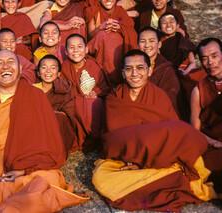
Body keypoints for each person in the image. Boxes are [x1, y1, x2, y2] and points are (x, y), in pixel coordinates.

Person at [0, 50, 88, 212]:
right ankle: (19, 202)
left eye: (10, 62)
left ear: (19, 68)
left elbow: (51, 146)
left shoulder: (35, 96)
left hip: (28, 172)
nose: (5, 67)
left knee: (49, 178)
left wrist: (24, 170)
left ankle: (11, 203)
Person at [92, 49, 216, 212]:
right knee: (100, 178)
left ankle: (169, 175)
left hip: (160, 159)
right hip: (125, 160)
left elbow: (171, 137)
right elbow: (113, 139)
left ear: (149, 70)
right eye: (129, 69)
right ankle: (175, 177)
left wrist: (147, 158)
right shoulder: (114, 98)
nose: (134, 73)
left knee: (186, 144)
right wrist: (133, 160)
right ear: (123, 73)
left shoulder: (159, 96)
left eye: (140, 68)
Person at [61, 33, 109, 148]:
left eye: (79, 47)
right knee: (73, 106)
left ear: (86, 49)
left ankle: (95, 137)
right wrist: (78, 97)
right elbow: (63, 89)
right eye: (71, 48)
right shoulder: (64, 67)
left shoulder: (93, 65)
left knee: (94, 103)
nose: (76, 50)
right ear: (66, 52)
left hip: (91, 101)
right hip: (73, 101)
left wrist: (96, 92)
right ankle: (81, 137)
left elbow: (104, 87)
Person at [34, 54, 84, 152]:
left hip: (56, 132)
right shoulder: (32, 90)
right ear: (38, 73)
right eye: (44, 68)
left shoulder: (64, 90)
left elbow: (70, 117)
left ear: (59, 74)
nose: (48, 71)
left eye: (53, 68)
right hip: (36, 130)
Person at [191, 38, 222, 192]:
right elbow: (195, 130)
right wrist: (214, 143)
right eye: (204, 58)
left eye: (214, 56)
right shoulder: (199, 90)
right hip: (213, 146)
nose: (210, 62)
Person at [86, 0, 137, 86]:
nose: (108, 0)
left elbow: (131, 31)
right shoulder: (95, 10)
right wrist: (100, 27)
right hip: (101, 50)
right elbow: (90, 36)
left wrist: (120, 28)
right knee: (105, 36)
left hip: (119, 53)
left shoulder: (120, 11)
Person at [138, 26, 182, 117]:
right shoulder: (132, 66)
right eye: (143, 41)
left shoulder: (166, 69)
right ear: (137, 45)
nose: (147, 45)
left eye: (151, 41)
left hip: (159, 115)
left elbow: (170, 99)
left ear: (159, 44)